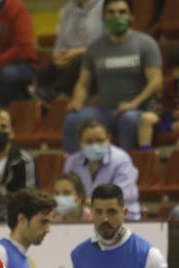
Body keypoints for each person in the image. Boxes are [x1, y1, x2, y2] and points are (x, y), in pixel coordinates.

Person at [63, 0, 162, 153]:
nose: (117, 16)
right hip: (105, 112)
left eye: (122, 12)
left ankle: (125, 169)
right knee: (73, 118)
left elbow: (156, 81)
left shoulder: (146, 43)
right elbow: (83, 84)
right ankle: (74, 170)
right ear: (103, 17)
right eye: (111, 12)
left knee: (128, 119)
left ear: (131, 17)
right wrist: (77, 102)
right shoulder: (95, 48)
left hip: (136, 111)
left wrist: (134, 104)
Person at [63, 120, 142, 220]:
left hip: (124, 219)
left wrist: (84, 202)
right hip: (85, 218)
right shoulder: (72, 162)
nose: (95, 145)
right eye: (89, 141)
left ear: (109, 139)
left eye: (100, 140)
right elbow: (67, 194)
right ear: (80, 142)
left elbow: (119, 197)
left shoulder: (121, 159)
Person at [35, 0, 105, 104]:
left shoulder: (105, 6)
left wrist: (78, 51)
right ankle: (40, 99)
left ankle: (54, 94)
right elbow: (60, 42)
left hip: (94, 56)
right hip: (69, 56)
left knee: (80, 61)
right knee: (45, 69)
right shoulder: (67, 9)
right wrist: (57, 55)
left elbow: (106, 42)